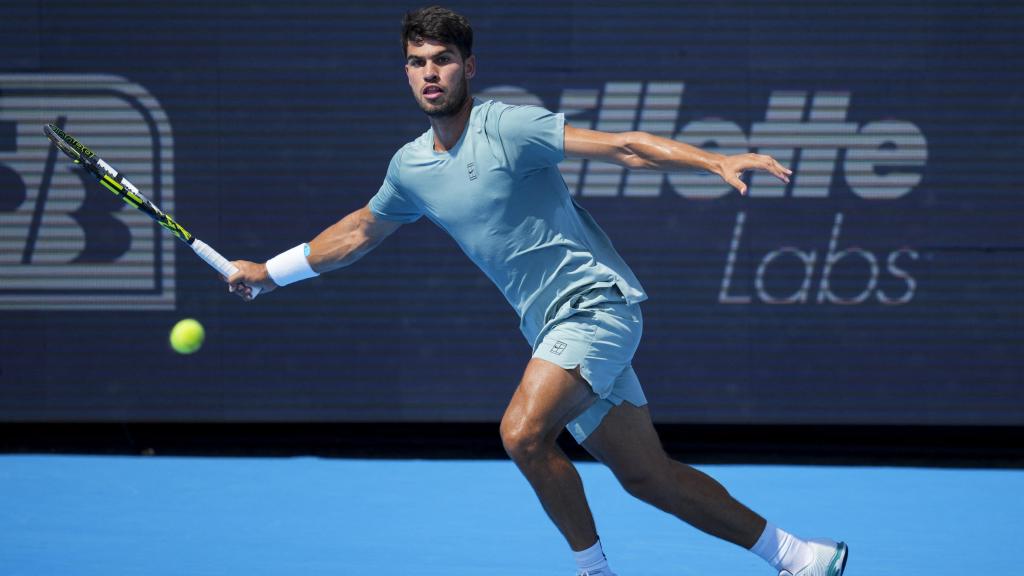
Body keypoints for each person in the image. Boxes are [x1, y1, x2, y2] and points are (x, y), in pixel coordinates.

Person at [226, 6, 848, 576]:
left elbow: (623, 147)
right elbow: (359, 230)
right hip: (549, 326)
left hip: (595, 307)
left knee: (522, 433)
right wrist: (269, 272)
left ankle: (594, 572)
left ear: (467, 67)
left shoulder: (509, 127)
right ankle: (800, 556)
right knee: (647, 476)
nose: (429, 73)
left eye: (442, 59)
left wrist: (712, 161)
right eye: (416, 62)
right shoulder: (409, 168)